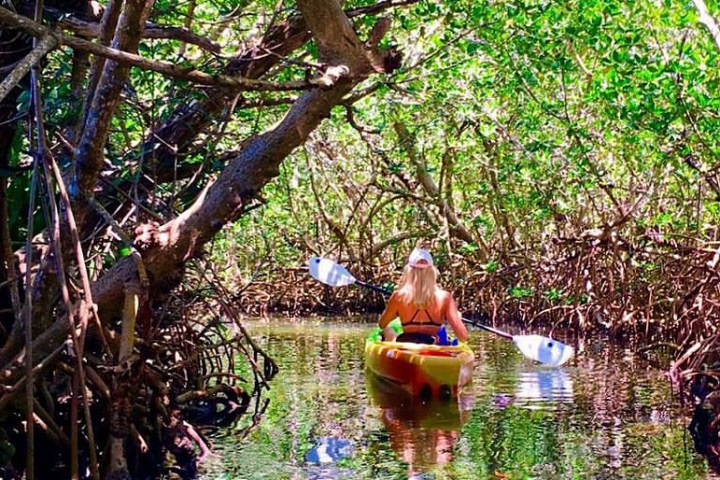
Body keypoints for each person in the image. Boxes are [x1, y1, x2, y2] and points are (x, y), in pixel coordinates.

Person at [378, 248, 468, 344]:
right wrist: (458, 318)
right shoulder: (445, 297)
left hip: (406, 343)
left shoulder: (399, 296)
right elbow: (463, 336)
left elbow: (382, 324)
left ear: (409, 272)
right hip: (431, 343)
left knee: (387, 329)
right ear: (432, 272)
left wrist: (393, 311)